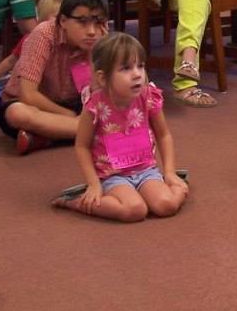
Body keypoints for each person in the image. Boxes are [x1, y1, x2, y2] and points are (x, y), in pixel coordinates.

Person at [52, 33, 188, 221]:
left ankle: (177, 184)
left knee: (166, 205)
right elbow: (82, 145)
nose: (137, 74)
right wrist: (94, 184)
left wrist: (170, 173)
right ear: (102, 77)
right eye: (125, 68)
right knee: (135, 210)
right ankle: (76, 201)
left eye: (140, 66)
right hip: (113, 176)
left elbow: (164, 135)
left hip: (146, 170)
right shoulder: (95, 105)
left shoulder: (148, 96)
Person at [0, 0, 108, 155]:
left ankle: (45, 137)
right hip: (36, 104)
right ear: (63, 20)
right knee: (17, 114)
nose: (92, 31)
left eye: (98, 22)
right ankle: (91, 133)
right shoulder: (44, 34)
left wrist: (98, 52)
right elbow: (28, 94)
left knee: (112, 108)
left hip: (75, 102)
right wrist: (69, 116)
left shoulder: (100, 38)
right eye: (82, 22)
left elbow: (102, 94)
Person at [0, 0, 63, 89]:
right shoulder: (31, 37)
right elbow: (11, 60)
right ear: (43, 17)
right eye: (56, 17)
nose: (62, 21)